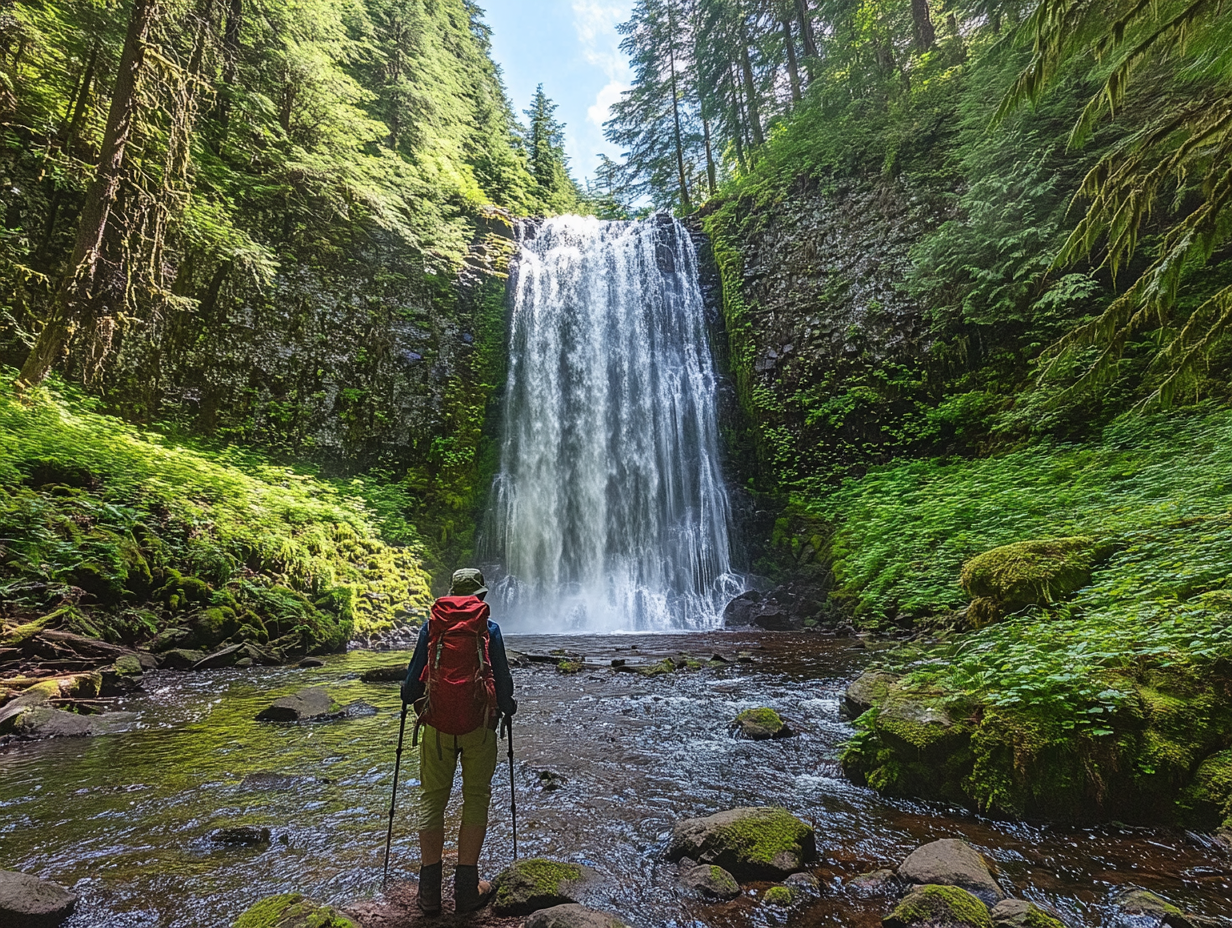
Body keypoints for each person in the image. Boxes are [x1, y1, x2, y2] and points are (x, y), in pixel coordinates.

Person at [401, 567, 516, 916]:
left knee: (432, 798)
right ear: (480, 597)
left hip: (436, 723)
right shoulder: (488, 628)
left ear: (451, 594)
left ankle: (429, 894)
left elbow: (410, 685)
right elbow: (503, 678)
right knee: (476, 797)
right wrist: (508, 707)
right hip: (479, 723)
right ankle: (467, 889)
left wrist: (409, 697)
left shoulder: (431, 625)